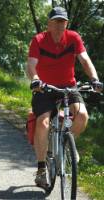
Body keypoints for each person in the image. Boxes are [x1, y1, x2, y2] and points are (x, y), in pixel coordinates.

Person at [26, 7, 103, 189]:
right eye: (57, 21)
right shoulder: (38, 40)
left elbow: (84, 59)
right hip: (44, 88)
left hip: (68, 86)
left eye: (63, 22)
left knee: (83, 116)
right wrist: (35, 80)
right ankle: (41, 168)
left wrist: (94, 79)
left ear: (67, 23)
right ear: (49, 24)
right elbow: (31, 65)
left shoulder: (73, 38)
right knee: (43, 123)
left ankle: (66, 146)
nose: (60, 25)